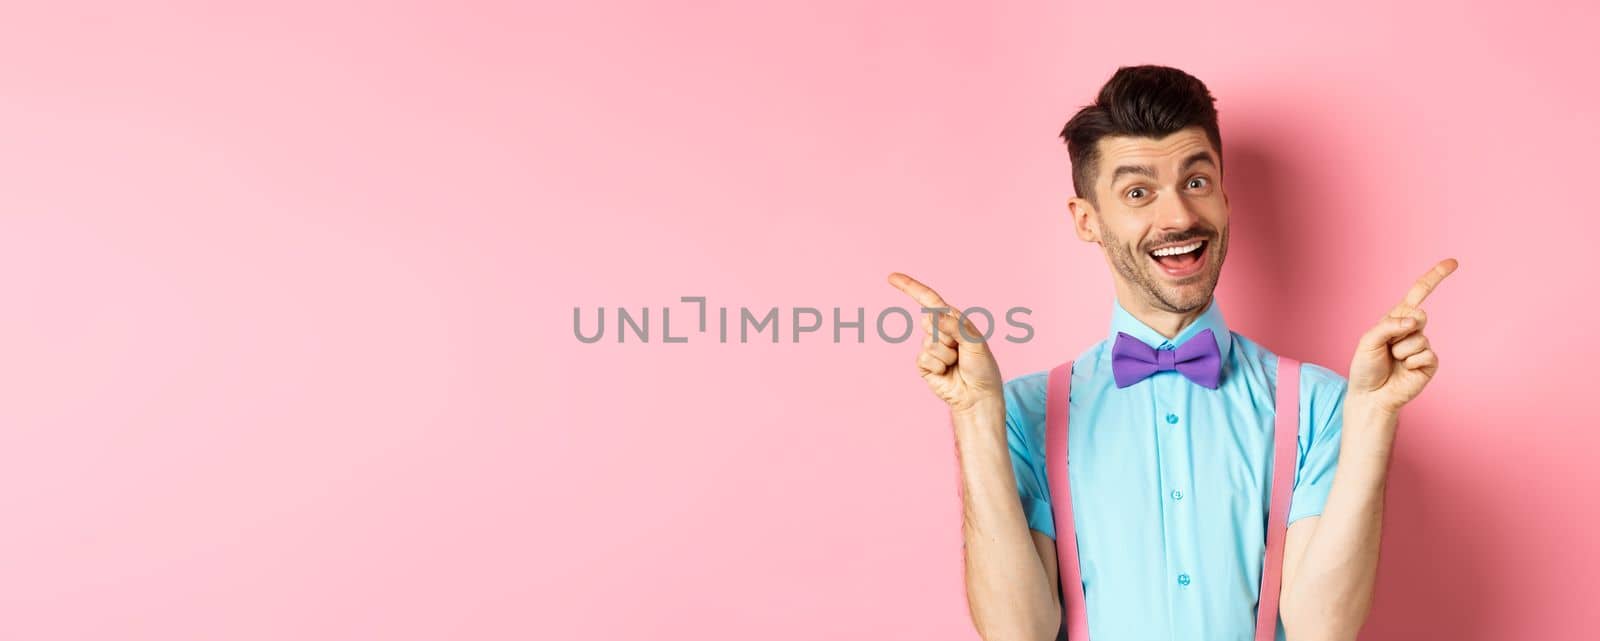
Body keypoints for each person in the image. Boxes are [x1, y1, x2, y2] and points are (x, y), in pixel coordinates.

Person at [887, 65, 1457, 641]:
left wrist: (1376, 417)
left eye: (1196, 182)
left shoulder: (1322, 403)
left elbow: (1320, 630)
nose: (1180, 217)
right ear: (1088, 220)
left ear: (1225, 197)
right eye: (1138, 192)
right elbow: (1018, 633)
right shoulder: (1026, 411)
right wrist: (974, 417)